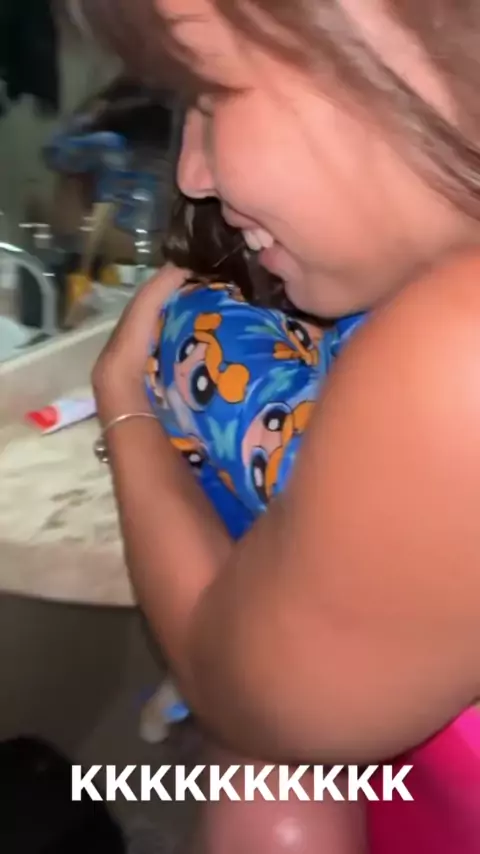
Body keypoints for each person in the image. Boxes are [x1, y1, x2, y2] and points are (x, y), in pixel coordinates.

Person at [81, 0, 480, 851]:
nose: (193, 176)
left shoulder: (462, 347)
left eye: (207, 96)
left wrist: (124, 402)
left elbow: (252, 702)